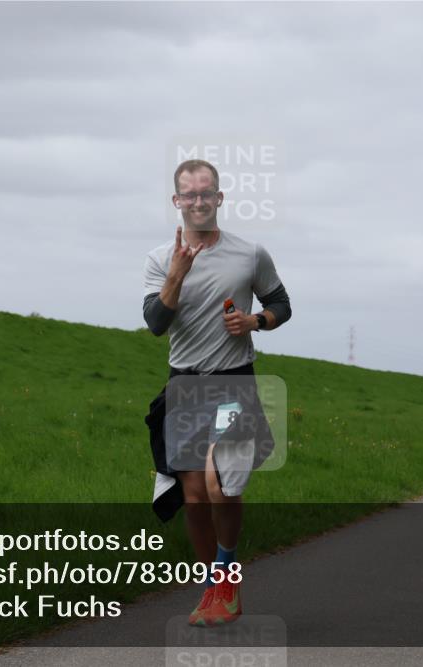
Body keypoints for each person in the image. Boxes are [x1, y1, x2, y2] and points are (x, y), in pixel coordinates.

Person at [143, 159, 292, 626]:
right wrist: (176, 274)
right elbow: (155, 324)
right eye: (190, 194)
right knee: (193, 494)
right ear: (177, 202)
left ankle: (226, 574)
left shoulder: (249, 254)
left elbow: (281, 304)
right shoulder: (158, 259)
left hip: (233, 383)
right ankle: (217, 588)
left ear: (220, 198)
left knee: (219, 485)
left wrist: (255, 322)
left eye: (207, 193)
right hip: (184, 386)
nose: (199, 201)